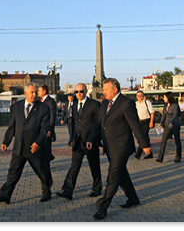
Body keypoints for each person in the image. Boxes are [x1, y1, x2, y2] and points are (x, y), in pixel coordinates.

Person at [91, 78, 151, 220]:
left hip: (122, 146)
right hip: (109, 146)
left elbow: (135, 125)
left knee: (113, 175)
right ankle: (133, 198)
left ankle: (103, 206)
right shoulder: (105, 103)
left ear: (115, 89)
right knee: (122, 174)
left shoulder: (126, 103)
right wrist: (90, 139)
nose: (103, 92)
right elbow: (100, 123)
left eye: (106, 90)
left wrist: (144, 145)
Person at [0, 83, 52, 204]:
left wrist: (38, 142)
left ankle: (47, 191)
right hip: (19, 147)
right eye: (32, 92)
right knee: (13, 173)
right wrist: (6, 141)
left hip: (33, 147)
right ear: (25, 93)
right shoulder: (16, 107)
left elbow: (44, 129)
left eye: (36, 92)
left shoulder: (43, 108)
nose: (34, 94)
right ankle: (5, 195)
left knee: (42, 171)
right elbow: (12, 126)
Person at [56, 83, 102, 200]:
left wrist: (92, 139)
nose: (79, 94)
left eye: (81, 91)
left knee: (94, 166)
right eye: (76, 92)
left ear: (86, 91)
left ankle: (97, 189)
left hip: (90, 142)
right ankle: (67, 190)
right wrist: (72, 139)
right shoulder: (74, 105)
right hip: (78, 142)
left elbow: (98, 123)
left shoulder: (94, 104)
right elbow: (75, 124)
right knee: (74, 166)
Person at [156, 92, 182, 163]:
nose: (163, 98)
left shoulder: (175, 105)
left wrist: (172, 123)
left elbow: (175, 115)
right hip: (167, 125)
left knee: (177, 141)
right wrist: (161, 123)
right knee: (163, 141)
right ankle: (160, 158)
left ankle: (178, 157)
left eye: (164, 97)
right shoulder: (165, 105)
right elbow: (164, 115)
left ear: (168, 97)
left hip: (175, 125)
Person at [38, 85, 57, 162]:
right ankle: (48, 158)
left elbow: (52, 116)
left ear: (44, 91)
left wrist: (50, 129)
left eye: (39, 90)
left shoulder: (50, 101)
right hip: (41, 128)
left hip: (47, 129)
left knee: (46, 147)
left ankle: (47, 162)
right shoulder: (41, 100)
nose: (38, 92)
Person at [134, 91, 155, 159]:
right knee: (145, 138)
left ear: (143, 96)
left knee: (142, 137)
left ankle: (138, 154)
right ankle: (149, 154)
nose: (139, 96)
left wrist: (151, 122)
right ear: (136, 97)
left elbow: (152, 112)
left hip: (146, 121)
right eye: (138, 95)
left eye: (141, 95)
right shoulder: (135, 104)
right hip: (139, 122)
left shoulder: (147, 102)